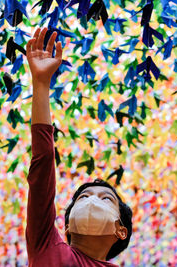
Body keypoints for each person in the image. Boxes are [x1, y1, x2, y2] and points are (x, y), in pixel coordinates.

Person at [25, 26, 133, 267]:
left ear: (121, 231)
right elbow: (41, 168)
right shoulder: (46, 244)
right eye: (83, 197)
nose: (91, 200)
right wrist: (41, 84)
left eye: (106, 199)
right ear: (67, 226)